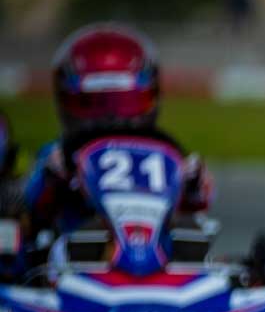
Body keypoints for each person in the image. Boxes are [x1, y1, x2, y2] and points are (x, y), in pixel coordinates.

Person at [20, 24, 211, 242]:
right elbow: (32, 202)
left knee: (191, 232)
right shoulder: (59, 155)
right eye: (95, 102)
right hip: (77, 250)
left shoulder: (165, 152)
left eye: (125, 102)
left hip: (155, 251)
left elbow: (201, 199)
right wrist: (55, 180)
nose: (112, 116)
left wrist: (191, 182)